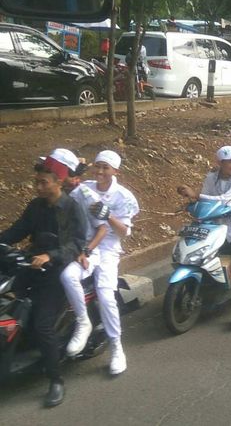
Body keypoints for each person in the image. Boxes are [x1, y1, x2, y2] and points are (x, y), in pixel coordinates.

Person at [0, 153, 88, 407]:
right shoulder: (35, 206)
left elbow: (77, 244)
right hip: (30, 265)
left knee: (41, 324)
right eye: (36, 182)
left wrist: (50, 255)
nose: (38, 187)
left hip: (56, 273)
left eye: (43, 183)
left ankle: (55, 379)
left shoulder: (71, 208)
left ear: (58, 182)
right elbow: (18, 230)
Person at [61, 150, 139, 376]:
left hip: (108, 249)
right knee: (66, 277)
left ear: (116, 171)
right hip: (84, 246)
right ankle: (82, 322)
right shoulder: (86, 188)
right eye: (98, 166)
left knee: (106, 295)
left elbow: (124, 232)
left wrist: (108, 216)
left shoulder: (123, 197)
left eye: (106, 167)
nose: (100, 172)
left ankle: (117, 348)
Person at [177, 146, 231, 325]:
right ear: (220, 163)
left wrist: (197, 195)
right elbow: (204, 200)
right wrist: (192, 203)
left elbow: (227, 199)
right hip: (217, 226)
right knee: (203, 255)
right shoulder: (211, 177)